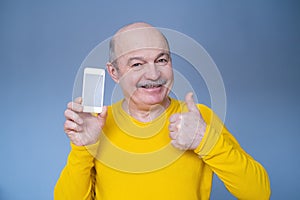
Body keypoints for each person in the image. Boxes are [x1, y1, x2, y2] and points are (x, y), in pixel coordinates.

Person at [54, 22, 271, 200]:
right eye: (137, 64)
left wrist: (205, 139)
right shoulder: (97, 125)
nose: (153, 73)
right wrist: (82, 148)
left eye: (162, 60)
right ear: (114, 72)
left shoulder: (198, 119)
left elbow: (258, 193)